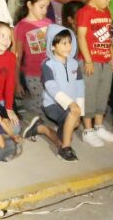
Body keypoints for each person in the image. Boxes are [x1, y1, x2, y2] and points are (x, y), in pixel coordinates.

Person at [76, 0, 113, 147]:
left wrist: (112, 56)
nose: (109, 0)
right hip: (91, 61)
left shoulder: (106, 12)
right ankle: (88, 129)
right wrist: (88, 61)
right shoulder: (85, 12)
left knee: (103, 92)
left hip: (105, 60)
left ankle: (99, 125)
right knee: (90, 93)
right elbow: (81, 37)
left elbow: (108, 36)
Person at [38, 25, 84, 161]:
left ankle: (42, 129)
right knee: (70, 123)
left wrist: (79, 109)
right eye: (63, 43)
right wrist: (71, 104)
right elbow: (51, 87)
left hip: (71, 104)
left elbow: (79, 85)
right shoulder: (48, 64)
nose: (68, 46)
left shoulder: (75, 64)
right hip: (52, 105)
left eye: (69, 42)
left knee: (72, 126)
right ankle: (65, 149)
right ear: (53, 46)